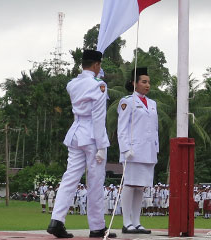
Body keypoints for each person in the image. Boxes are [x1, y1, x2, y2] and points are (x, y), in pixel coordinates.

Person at [47, 49, 115, 239]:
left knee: (70, 178)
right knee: (95, 182)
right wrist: (101, 145)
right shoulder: (99, 85)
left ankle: (56, 220)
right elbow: (99, 117)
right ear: (96, 65)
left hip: (76, 132)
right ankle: (97, 227)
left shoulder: (72, 84)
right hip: (92, 135)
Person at [117, 67, 158, 235]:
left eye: (148, 82)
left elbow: (154, 129)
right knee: (130, 184)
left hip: (148, 151)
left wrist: (155, 148)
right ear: (134, 83)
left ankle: (136, 221)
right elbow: (122, 127)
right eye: (144, 82)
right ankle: (126, 222)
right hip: (133, 150)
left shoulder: (153, 104)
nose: (147, 85)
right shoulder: (127, 101)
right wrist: (125, 148)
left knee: (141, 187)